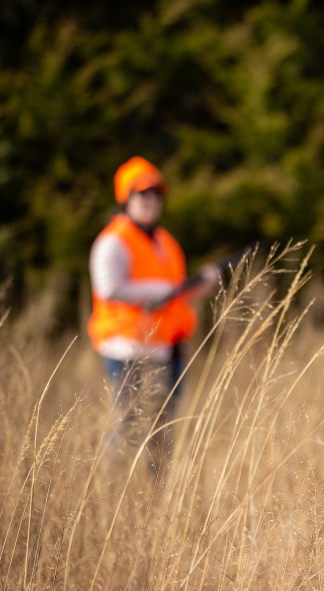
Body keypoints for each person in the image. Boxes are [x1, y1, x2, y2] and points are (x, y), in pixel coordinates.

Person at [88, 156, 217, 477]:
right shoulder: (112, 242)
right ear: (125, 198)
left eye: (156, 194)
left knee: (164, 431)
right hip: (129, 351)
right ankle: (111, 493)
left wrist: (197, 287)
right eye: (142, 193)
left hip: (168, 350)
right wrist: (162, 288)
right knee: (130, 427)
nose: (150, 200)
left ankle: (154, 499)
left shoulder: (166, 242)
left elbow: (173, 293)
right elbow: (109, 288)